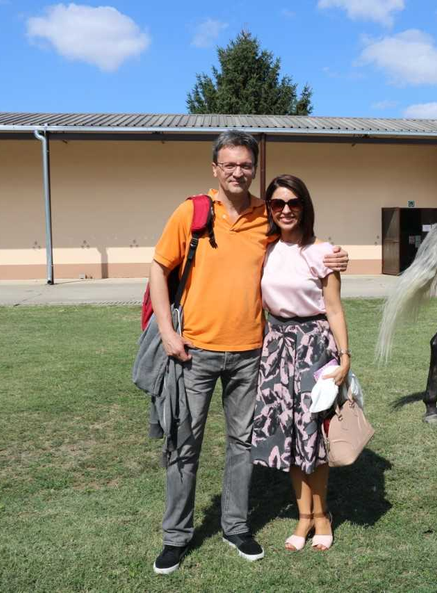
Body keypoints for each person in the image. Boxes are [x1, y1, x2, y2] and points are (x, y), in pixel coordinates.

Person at [149, 131, 348, 574]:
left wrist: (337, 256)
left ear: (254, 168)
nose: (238, 172)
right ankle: (176, 537)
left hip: (252, 354)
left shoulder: (267, 216)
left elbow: (305, 246)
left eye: (245, 165)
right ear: (215, 168)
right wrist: (167, 331)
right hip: (193, 351)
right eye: (229, 164)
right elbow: (159, 268)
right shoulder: (192, 212)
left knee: (242, 443)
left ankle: (235, 526)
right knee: (185, 443)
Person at [251, 174, 350, 552]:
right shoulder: (265, 250)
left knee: (315, 437)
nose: (286, 210)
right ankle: (303, 517)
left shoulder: (324, 251)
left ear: (305, 206)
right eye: (277, 204)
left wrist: (344, 357)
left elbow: (335, 309)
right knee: (290, 437)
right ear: (270, 209)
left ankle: (321, 516)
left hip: (315, 347)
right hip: (276, 348)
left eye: (294, 203)